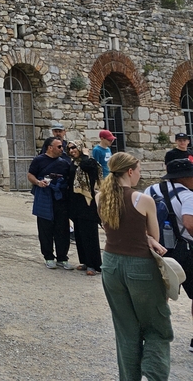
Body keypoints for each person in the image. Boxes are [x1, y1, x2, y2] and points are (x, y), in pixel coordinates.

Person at [97, 152, 172, 381]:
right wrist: (147, 238)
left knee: (126, 330)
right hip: (139, 265)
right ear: (130, 171)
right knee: (157, 327)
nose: (139, 174)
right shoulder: (142, 199)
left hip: (110, 264)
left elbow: (111, 228)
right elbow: (155, 237)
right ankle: (155, 376)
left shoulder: (101, 196)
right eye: (138, 170)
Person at [144, 158, 193, 355]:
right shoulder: (188, 196)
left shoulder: (151, 190)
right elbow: (189, 224)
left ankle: (155, 337)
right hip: (186, 249)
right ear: (186, 177)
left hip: (158, 248)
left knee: (160, 294)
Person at [28, 137, 73, 269]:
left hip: (60, 198)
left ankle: (62, 257)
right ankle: (48, 257)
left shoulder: (64, 162)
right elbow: (30, 175)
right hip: (44, 197)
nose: (62, 149)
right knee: (45, 229)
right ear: (50, 147)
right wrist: (38, 182)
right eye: (59, 146)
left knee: (62, 228)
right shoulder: (39, 160)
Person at [65, 139, 102, 275]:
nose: (71, 150)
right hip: (75, 203)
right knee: (80, 234)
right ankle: (85, 261)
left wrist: (85, 155)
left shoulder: (89, 162)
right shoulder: (72, 163)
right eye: (69, 148)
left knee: (90, 234)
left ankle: (94, 264)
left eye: (74, 147)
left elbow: (87, 167)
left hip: (87, 203)